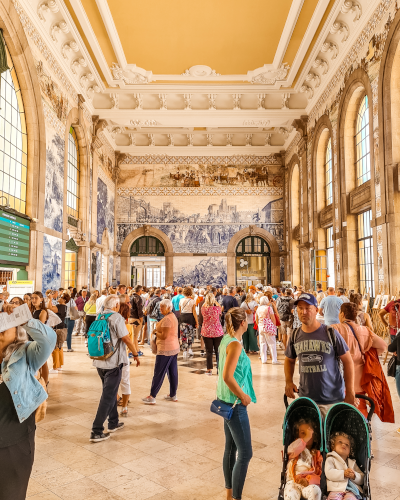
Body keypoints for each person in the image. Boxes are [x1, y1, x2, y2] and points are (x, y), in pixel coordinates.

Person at [0, 305, 56, 500]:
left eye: (4, 326)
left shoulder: (25, 354)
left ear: (16, 332)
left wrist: (23, 318)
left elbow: (49, 340)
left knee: (10, 493)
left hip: (14, 440)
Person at [285, 293, 356, 418]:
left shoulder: (330, 333)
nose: (304, 312)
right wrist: (289, 381)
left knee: (332, 436)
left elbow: (348, 361)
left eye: (308, 308)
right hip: (307, 399)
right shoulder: (295, 335)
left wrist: (350, 391)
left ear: (316, 310)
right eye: (300, 308)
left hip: (332, 399)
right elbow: (289, 360)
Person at [217, 307, 256, 500]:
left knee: (231, 448)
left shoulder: (227, 339)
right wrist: (243, 396)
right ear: (243, 323)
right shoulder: (235, 345)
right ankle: (236, 497)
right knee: (246, 453)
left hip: (227, 400)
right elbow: (227, 376)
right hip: (235, 403)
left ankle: (229, 494)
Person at [90, 295, 140, 443]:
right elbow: (126, 338)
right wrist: (135, 354)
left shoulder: (99, 316)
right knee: (108, 396)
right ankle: (96, 430)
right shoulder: (116, 317)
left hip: (99, 361)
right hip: (113, 362)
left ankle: (113, 422)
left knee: (110, 393)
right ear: (116, 305)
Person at [331, 302, 389, 419]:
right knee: (360, 410)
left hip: (339, 379)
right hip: (358, 380)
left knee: (339, 414)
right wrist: (367, 357)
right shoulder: (365, 330)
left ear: (341, 314)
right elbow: (383, 346)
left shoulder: (335, 328)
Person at [142, 299, 180, 404]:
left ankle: (152, 396)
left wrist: (155, 332)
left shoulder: (168, 319)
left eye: (162, 307)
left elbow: (164, 336)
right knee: (172, 372)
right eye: (160, 307)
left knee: (158, 373)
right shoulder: (172, 316)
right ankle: (173, 395)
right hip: (173, 348)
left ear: (168, 308)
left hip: (166, 349)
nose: (160, 309)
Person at [284, 419, 322, 500]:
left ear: (314, 437)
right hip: (294, 481)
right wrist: (305, 439)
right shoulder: (294, 447)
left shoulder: (317, 454)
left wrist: (309, 480)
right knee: (290, 493)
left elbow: (320, 474)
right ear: (298, 436)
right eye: (303, 433)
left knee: (316, 491)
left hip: (309, 483)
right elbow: (291, 451)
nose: (306, 436)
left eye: (309, 434)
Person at [325, 432, 364, 500]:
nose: (343, 444)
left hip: (352, 491)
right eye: (340, 442)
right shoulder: (330, 459)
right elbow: (329, 473)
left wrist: (354, 476)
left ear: (349, 452)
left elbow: (362, 478)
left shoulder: (352, 463)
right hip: (335, 489)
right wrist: (343, 474)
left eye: (347, 444)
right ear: (333, 447)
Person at [201, 292, 224, 375]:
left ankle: (209, 369)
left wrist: (207, 301)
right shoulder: (217, 308)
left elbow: (203, 306)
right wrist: (215, 301)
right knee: (218, 351)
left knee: (209, 351)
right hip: (217, 331)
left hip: (206, 332)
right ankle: (219, 368)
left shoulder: (203, 309)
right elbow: (220, 308)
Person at [30, 291, 50, 385]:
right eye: (32, 298)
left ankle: (45, 383)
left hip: (40, 339)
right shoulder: (33, 311)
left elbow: (40, 326)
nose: (34, 300)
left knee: (43, 362)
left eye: (36, 298)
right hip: (32, 338)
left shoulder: (43, 311)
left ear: (41, 299)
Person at [47, 293, 69, 373]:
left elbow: (49, 308)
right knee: (60, 347)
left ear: (64, 300)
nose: (58, 298)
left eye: (60, 297)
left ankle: (55, 367)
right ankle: (59, 366)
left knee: (55, 347)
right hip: (63, 328)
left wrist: (50, 299)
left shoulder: (60, 306)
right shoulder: (65, 307)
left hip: (58, 328)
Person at [256, 296, 281, 364]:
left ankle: (263, 359)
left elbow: (256, 318)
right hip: (268, 326)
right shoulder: (269, 308)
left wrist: (259, 324)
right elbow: (272, 317)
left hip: (260, 326)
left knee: (262, 343)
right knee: (272, 343)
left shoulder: (258, 308)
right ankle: (274, 360)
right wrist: (274, 326)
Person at [179, 286, 198, 359]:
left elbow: (180, 310)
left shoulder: (181, 300)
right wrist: (197, 322)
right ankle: (190, 349)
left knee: (183, 335)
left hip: (183, 317)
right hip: (190, 318)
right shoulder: (192, 301)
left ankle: (184, 350)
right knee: (190, 334)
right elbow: (194, 312)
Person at [129, 285, 144, 356]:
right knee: (135, 336)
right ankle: (134, 350)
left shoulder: (130, 297)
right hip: (136, 318)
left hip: (129, 318)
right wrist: (141, 318)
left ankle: (134, 350)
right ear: (140, 290)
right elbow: (139, 309)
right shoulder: (138, 298)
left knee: (131, 335)